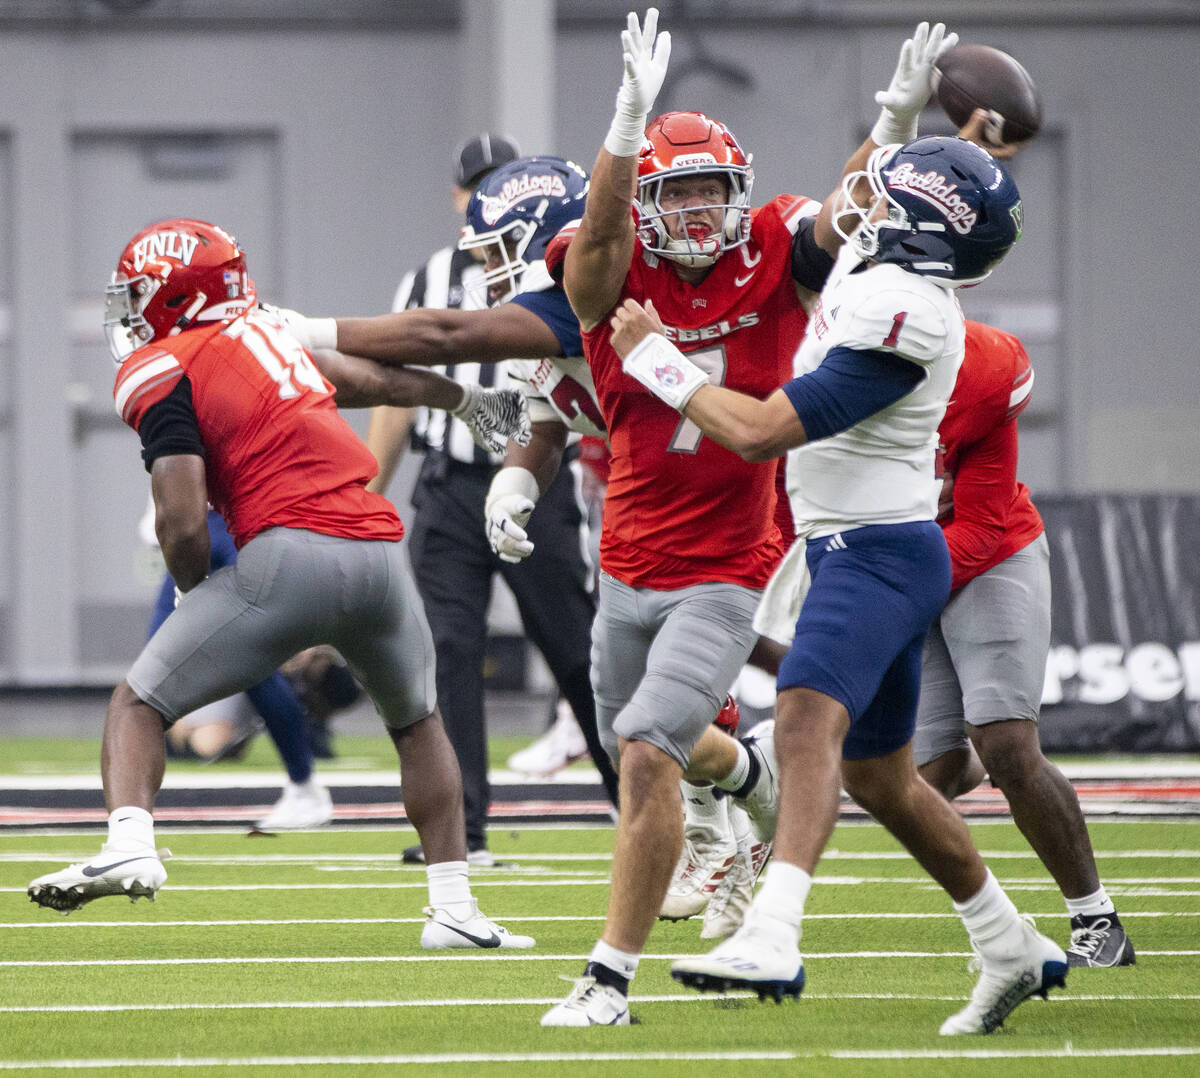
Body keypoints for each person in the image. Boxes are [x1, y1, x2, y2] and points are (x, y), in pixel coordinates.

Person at [537, 10, 963, 1029]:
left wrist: (894, 116)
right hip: (625, 562)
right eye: (670, 191)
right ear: (643, 197)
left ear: (735, 193)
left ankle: (607, 981)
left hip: (729, 564)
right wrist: (626, 123)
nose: (690, 211)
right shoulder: (608, 262)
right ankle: (758, 778)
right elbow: (594, 242)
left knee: (645, 755)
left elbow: (846, 217)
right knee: (644, 752)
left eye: (705, 190)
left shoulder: (770, 245)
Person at [610, 131, 1070, 1036]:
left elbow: (754, 432)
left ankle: (774, 929)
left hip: (879, 553)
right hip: (856, 548)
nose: (869, 206)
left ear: (921, 232)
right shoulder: (880, 265)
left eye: (893, 202)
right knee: (883, 779)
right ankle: (1011, 943)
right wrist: (898, 116)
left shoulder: (909, 319)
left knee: (806, 717)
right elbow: (846, 205)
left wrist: (656, 359)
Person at [28, 217, 535, 955]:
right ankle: (453, 905)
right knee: (418, 724)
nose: (133, 311)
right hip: (377, 554)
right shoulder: (268, 336)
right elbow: (370, 380)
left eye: (142, 296)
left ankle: (132, 840)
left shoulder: (159, 365)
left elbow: (179, 518)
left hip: (289, 555)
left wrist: (194, 591)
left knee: (136, 703)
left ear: (175, 296)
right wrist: (459, 400)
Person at [278, 152, 623, 838]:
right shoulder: (441, 273)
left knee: (581, 647)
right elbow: (394, 387)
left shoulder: (577, 284)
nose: (482, 251)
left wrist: (304, 330)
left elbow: (447, 335)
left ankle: (652, 804)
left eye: (494, 221)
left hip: (551, 473)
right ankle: (462, 826)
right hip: (465, 481)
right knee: (446, 649)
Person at [914, 319, 1134, 968]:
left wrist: (888, 588)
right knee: (925, 785)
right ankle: (979, 763)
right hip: (898, 560)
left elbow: (980, 528)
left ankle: (1096, 919)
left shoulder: (980, 368)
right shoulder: (827, 362)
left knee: (1008, 742)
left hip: (990, 555)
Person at [140, 497, 334, 830]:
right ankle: (133, 823)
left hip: (234, 530)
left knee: (254, 669)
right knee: (146, 685)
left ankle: (304, 782)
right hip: (203, 533)